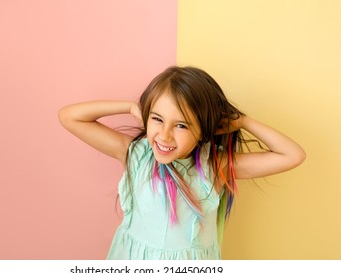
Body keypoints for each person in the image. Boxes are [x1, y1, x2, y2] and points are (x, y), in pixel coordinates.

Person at [58, 66, 306, 260]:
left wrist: (243, 122)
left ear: (204, 130)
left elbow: (292, 155)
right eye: (157, 119)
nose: (164, 135)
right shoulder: (135, 154)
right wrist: (131, 107)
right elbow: (69, 117)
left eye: (181, 125)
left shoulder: (215, 167)